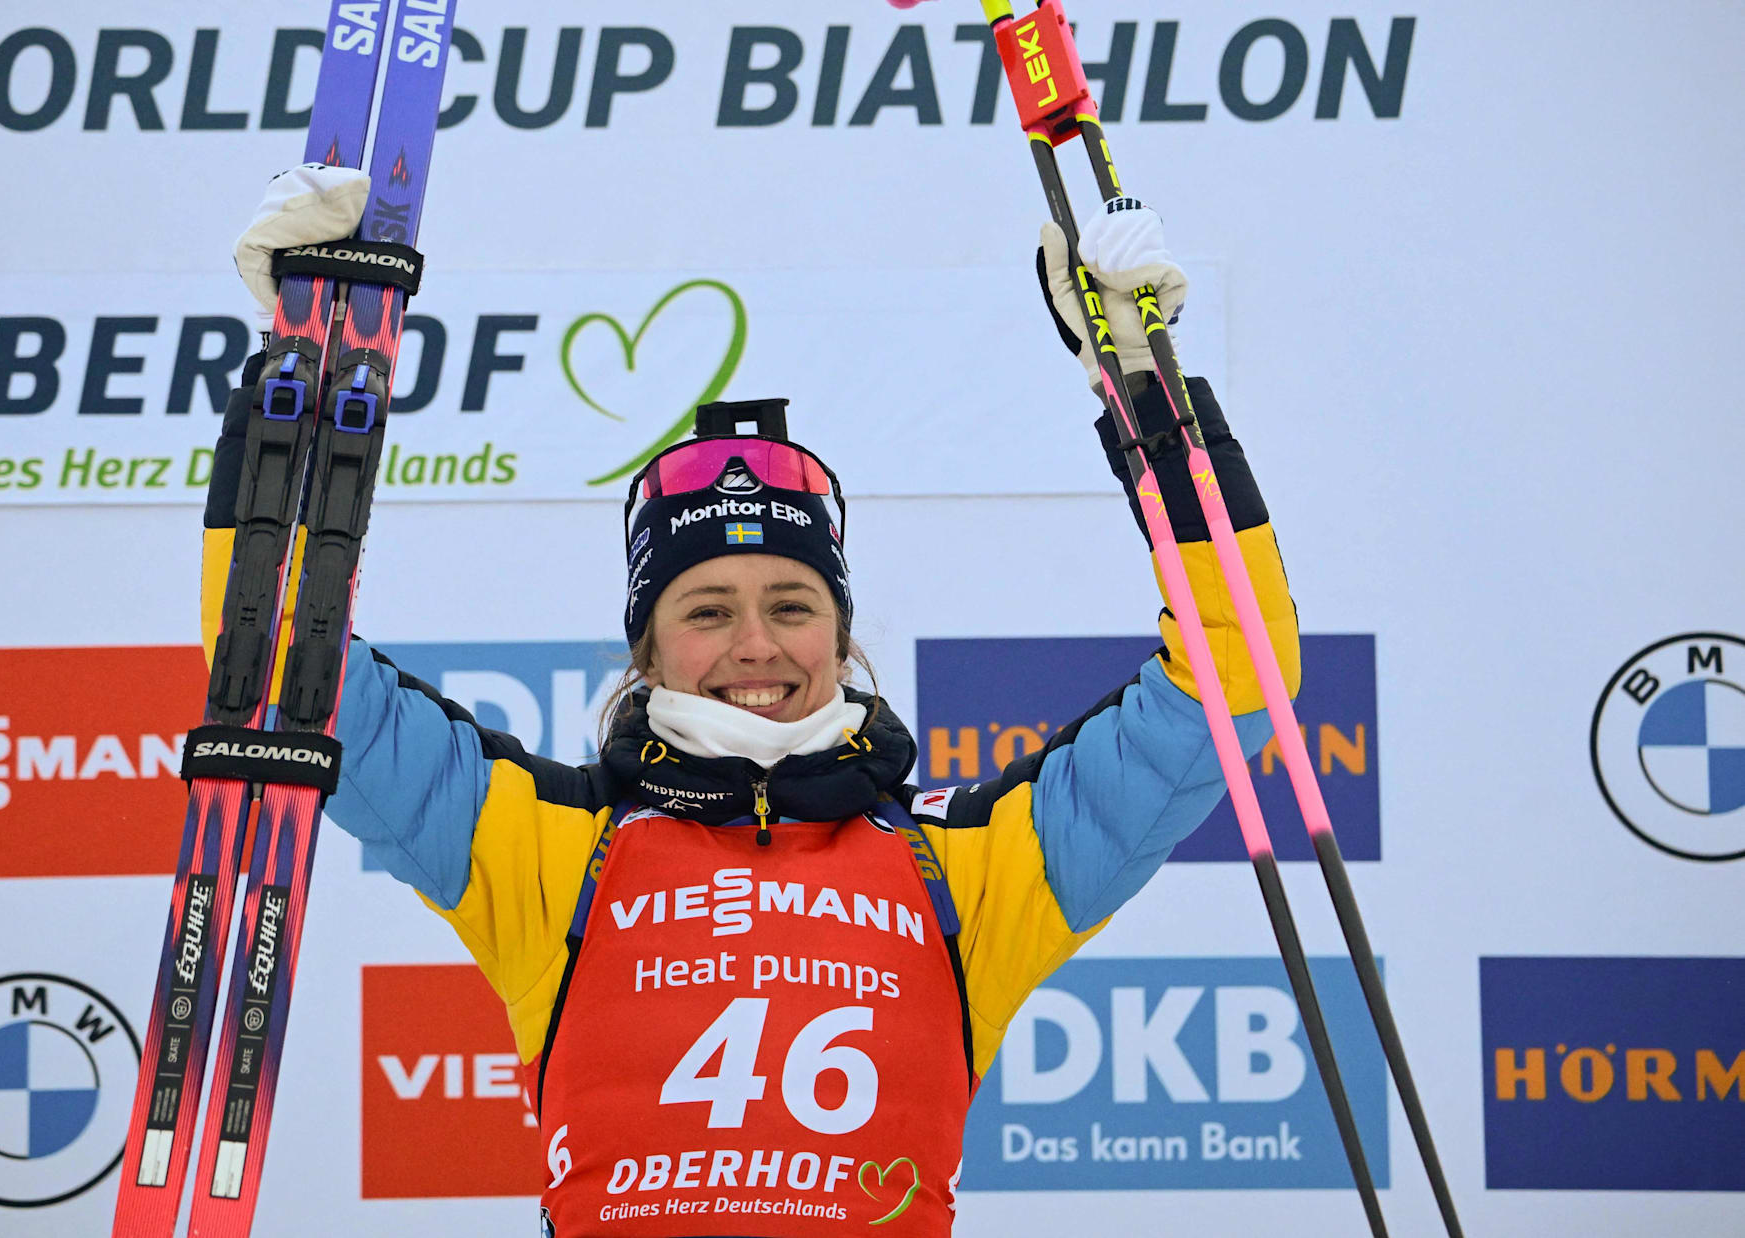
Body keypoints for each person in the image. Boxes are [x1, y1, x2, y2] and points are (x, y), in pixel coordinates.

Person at [203, 167, 1300, 1237]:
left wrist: (1149, 390)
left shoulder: (977, 867)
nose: (755, 644)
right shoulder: (544, 847)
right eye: (706, 609)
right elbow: (282, 681)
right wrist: (295, 376)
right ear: (646, 647)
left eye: (790, 601)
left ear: (841, 630)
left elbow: (1234, 678)